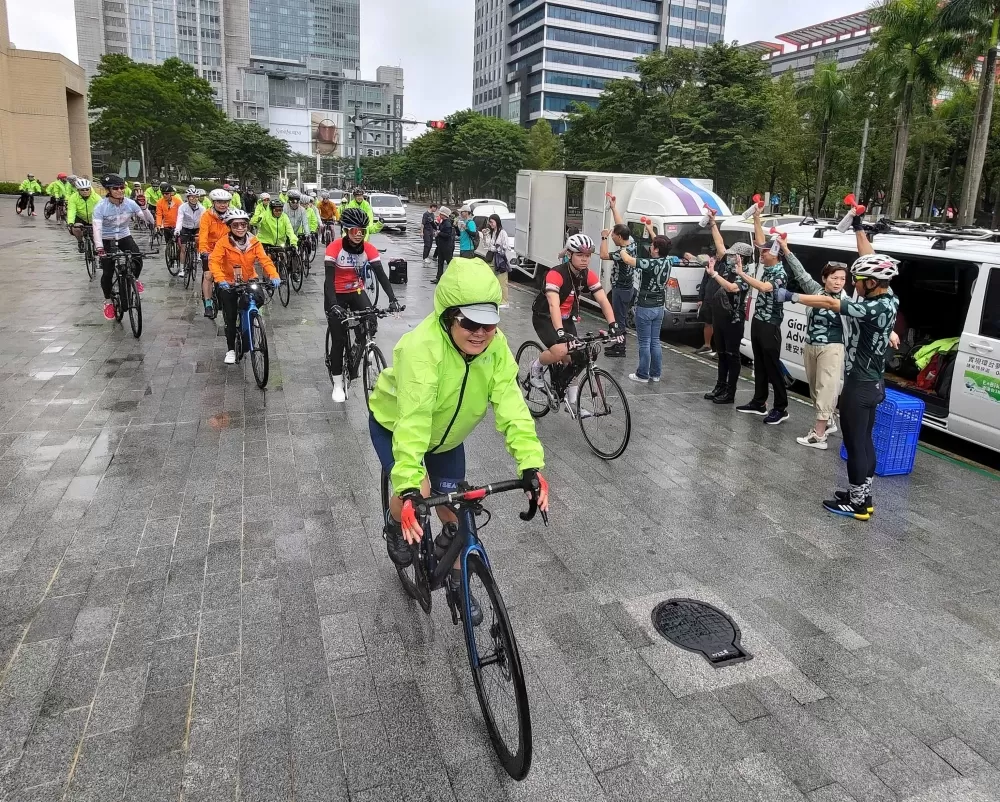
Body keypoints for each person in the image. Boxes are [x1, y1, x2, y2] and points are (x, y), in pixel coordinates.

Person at [367, 257, 548, 622]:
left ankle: (458, 583)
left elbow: (512, 407)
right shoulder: (422, 348)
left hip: (447, 440)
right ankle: (393, 525)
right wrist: (409, 488)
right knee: (418, 488)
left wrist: (530, 465)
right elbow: (414, 420)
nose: (480, 333)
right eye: (469, 322)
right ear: (449, 317)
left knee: (457, 515)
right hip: (395, 426)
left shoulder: (495, 348)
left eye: (489, 323)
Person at [776, 220, 900, 520]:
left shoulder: (869, 308)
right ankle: (864, 495)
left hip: (859, 387)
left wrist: (792, 296)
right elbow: (869, 257)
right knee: (865, 441)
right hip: (874, 384)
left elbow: (830, 304)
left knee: (855, 445)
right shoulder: (889, 298)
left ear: (872, 283)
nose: (853, 284)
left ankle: (857, 505)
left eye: (858, 280)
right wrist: (859, 230)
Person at [528, 234, 623, 416]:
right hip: (545, 317)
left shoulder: (587, 275)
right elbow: (553, 305)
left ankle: (572, 402)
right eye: (580, 255)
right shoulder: (556, 274)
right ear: (569, 255)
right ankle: (536, 367)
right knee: (560, 351)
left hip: (566, 319)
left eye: (588, 255)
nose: (584, 259)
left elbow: (603, 300)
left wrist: (613, 325)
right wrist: (560, 332)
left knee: (579, 356)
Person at [324, 207, 401, 403]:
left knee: (371, 321)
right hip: (336, 293)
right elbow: (328, 281)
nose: (359, 234)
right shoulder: (334, 248)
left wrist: (393, 299)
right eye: (354, 230)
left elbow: (381, 276)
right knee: (339, 340)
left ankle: (359, 346)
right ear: (346, 230)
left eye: (362, 231)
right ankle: (338, 384)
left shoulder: (368, 249)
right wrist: (333, 305)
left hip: (356, 291)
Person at [779, 241, 849, 449]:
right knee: (815, 388)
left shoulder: (847, 301)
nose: (838, 282)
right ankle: (829, 421)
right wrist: (786, 249)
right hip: (810, 345)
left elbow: (866, 317)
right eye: (834, 278)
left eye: (842, 279)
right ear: (824, 278)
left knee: (826, 387)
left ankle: (819, 436)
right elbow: (801, 274)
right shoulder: (816, 290)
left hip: (832, 347)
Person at [735, 207, 789, 424]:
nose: (761, 254)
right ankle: (759, 402)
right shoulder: (767, 266)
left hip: (770, 324)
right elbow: (760, 242)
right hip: (759, 321)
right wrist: (757, 218)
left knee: (772, 366)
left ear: (775, 254)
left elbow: (765, 288)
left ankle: (781, 407)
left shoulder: (780, 273)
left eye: (765, 252)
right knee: (759, 363)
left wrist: (741, 274)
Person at [209, 209, 281, 365]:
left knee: (259, 298)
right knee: (230, 316)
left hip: (249, 279)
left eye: (243, 224)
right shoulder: (223, 243)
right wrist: (220, 279)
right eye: (236, 225)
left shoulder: (254, 241)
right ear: (230, 227)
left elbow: (264, 260)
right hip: (229, 282)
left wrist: (274, 275)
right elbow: (214, 262)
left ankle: (250, 318)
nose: (240, 228)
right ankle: (231, 349)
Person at [615, 220, 679, 384]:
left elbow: (628, 260)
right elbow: (662, 245)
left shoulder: (649, 263)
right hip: (659, 307)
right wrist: (651, 230)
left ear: (656, 249)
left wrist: (623, 248)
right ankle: (655, 374)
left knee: (644, 342)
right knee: (655, 341)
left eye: (652, 245)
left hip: (645, 306)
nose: (650, 246)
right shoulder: (669, 260)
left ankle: (642, 374)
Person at [702, 211, 754, 405]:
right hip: (720, 317)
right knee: (722, 353)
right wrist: (713, 223)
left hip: (734, 319)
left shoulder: (746, 273)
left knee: (732, 355)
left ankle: (730, 392)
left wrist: (714, 275)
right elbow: (720, 244)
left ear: (742, 257)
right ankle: (720, 386)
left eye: (733, 255)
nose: (729, 256)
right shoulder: (728, 265)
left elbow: (732, 288)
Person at [92, 173, 154, 320]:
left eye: (122, 187)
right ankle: (108, 301)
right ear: (108, 190)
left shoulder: (130, 203)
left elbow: (148, 221)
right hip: (106, 238)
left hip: (124, 235)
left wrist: (144, 206)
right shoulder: (101, 207)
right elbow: (97, 228)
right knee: (107, 272)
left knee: (137, 258)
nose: (120, 190)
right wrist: (99, 248)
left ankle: (134, 279)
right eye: (116, 188)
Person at [599, 199, 636, 359]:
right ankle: (618, 343)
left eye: (613, 235)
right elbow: (621, 225)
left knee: (619, 319)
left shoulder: (622, 253)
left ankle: (621, 348)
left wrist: (604, 238)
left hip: (621, 289)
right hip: (627, 287)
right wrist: (614, 208)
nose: (612, 236)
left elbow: (603, 255)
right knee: (619, 316)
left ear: (620, 237)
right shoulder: (632, 243)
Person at [198, 188, 232, 318]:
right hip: (210, 250)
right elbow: (203, 235)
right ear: (213, 203)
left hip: (226, 249)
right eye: (219, 202)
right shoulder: (206, 216)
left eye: (225, 202)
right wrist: (203, 251)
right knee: (208, 275)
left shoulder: (231, 215)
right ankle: (208, 303)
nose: (223, 205)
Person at [175, 187, 205, 278]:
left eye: (196, 197)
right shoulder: (182, 207)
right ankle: (182, 269)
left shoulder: (202, 208)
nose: (194, 199)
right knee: (183, 249)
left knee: (197, 240)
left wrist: (204, 231)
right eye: (191, 197)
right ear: (187, 198)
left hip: (196, 228)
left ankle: (197, 253)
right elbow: (180, 219)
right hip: (185, 227)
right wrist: (177, 230)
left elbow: (204, 221)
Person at [485, 214, 511, 308]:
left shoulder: (502, 233)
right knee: (492, 280)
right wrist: (486, 235)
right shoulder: (492, 232)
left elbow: (506, 246)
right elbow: (487, 245)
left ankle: (505, 301)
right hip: (492, 259)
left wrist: (495, 248)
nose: (490, 224)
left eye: (492, 222)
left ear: (497, 221)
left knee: (502, 281)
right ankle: (495, 299)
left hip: (500, 260)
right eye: (489, 222)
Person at [67, 178, 100, 250]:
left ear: (90, 189)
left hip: (93, 218)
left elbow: (102, 210)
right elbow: (71, 210)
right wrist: (70, 222)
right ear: (78, 190)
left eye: (87, 189)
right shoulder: (73, 198)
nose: (85, 191)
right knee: (77, 228)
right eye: (82, 190)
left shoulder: (97, 197)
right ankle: (80, 241)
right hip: (80, 218)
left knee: (96, 237)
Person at [155, 185, 181, 258]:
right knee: (168, 242)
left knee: (180, 243)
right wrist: (158, 225)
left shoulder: (178, 201)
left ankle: (180, 253)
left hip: (177, 225)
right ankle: (170, 255)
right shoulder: (160, 202)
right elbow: (159, 214)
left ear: (171, 193)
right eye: (163, 193)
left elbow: (182, 213)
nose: (164, 195)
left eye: (166, 194)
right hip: (166, 225)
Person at [433, 205, 455, 284]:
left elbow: (448, 235)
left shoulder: (447, 223)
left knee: (449, 262)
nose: (439, 215)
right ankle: (438, 277)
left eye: (441, 214)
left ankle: (453, 277)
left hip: (446, 246)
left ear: (444, 215)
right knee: (440, 262)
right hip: (441, 245)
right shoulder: (443, 222)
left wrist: (439, 233)